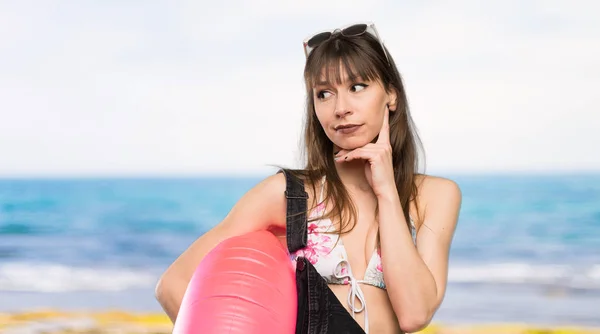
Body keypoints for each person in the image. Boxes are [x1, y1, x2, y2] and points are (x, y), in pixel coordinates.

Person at [155, 22, 461, 334]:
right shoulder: (288, 195)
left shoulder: (435, 196)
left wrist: (386, 192)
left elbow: (414, 314)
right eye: (324, 93)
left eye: (357, 87)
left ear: (391, 95)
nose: (341, 108)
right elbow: (173, 285)